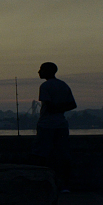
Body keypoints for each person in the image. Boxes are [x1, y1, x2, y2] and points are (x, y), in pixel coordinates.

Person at [34, 62, 76, 191]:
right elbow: (72, 105)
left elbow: (49, 106)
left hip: (46, 125)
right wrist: (61, 109)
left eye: (41, 69)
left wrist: (54, 109)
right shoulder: (63, 85)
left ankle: (41, 183)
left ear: (48, 71)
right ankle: (65, 185)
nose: (38, 72)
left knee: (41, 154)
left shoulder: (45, 86)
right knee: (64, 155)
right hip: (61, 125)